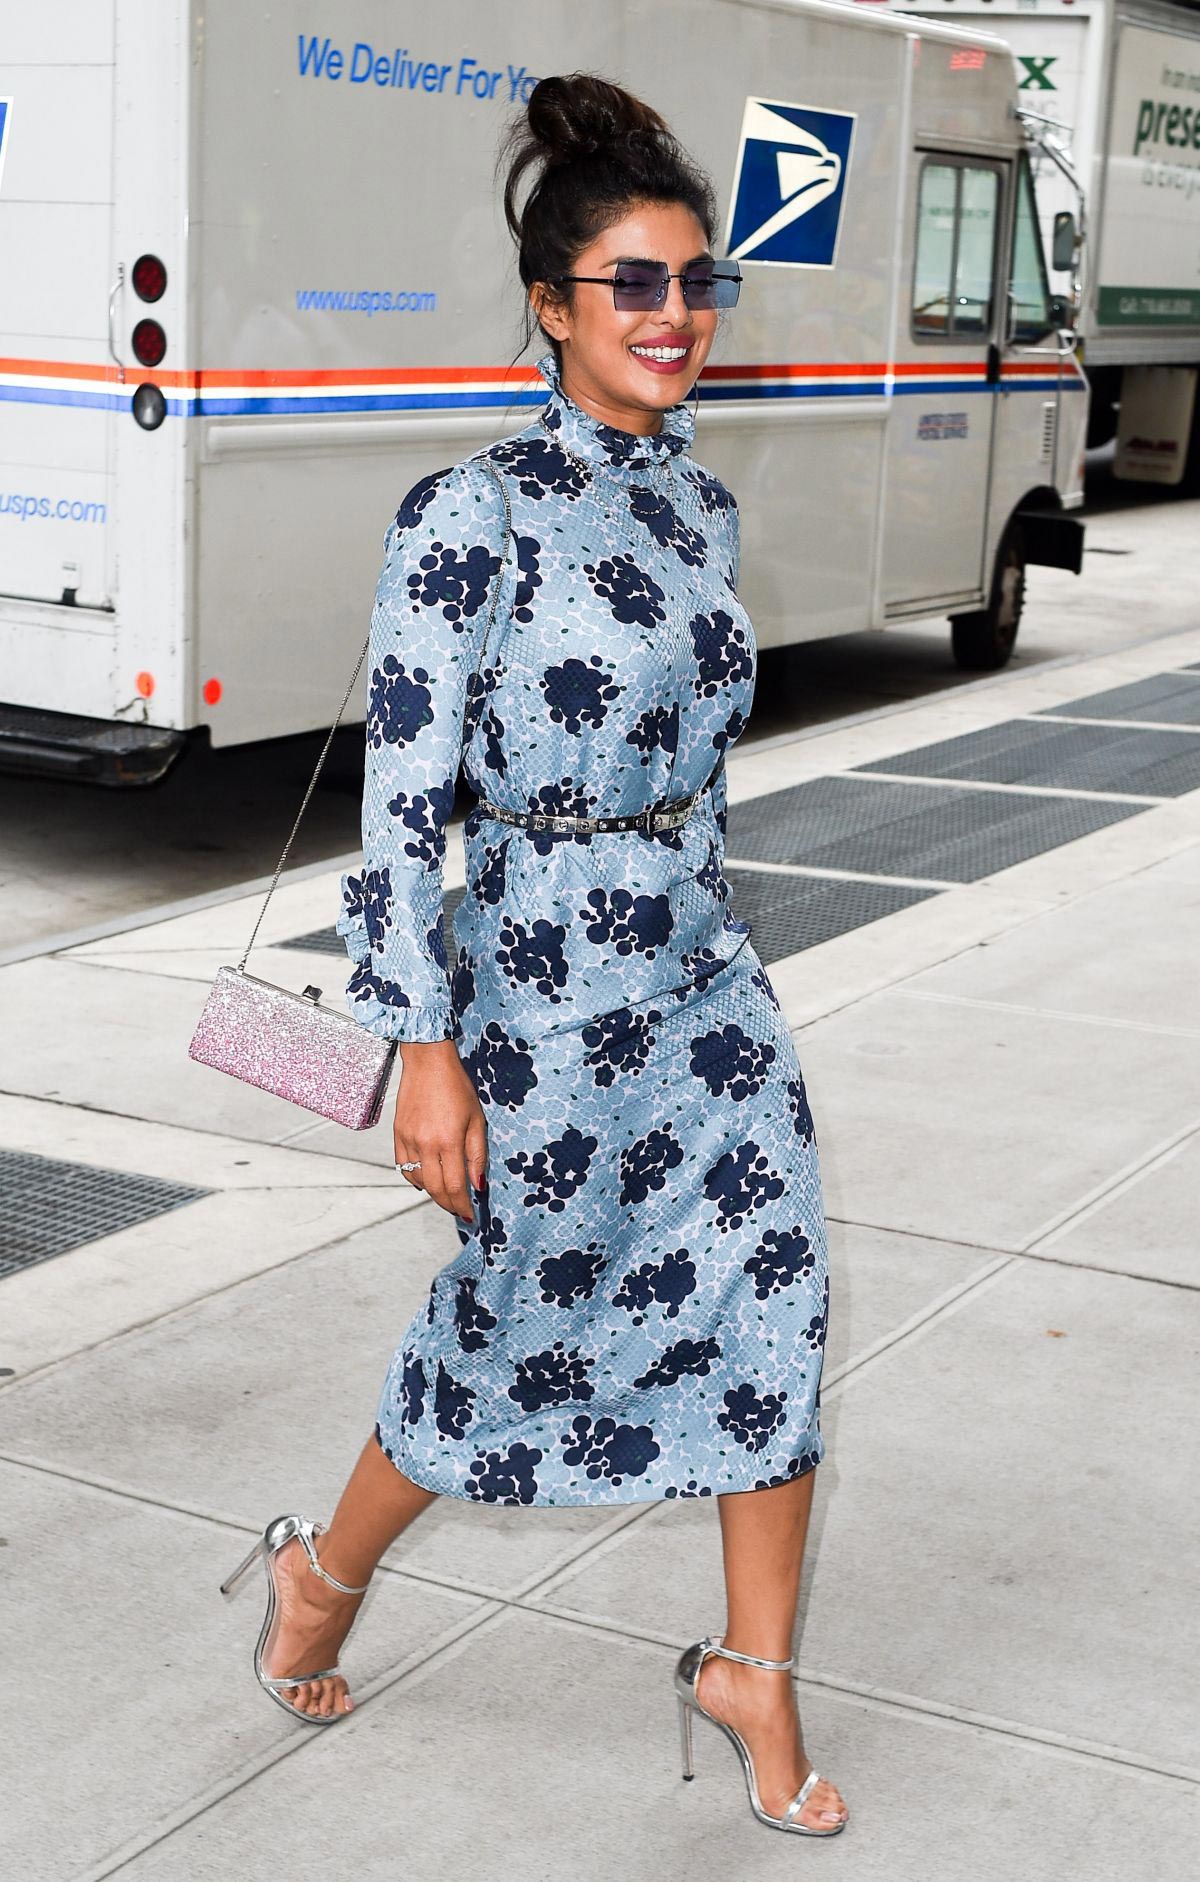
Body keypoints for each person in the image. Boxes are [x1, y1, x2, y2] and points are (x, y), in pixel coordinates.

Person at [220, 72, 848, 1838]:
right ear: (552, 308)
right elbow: (405, 801)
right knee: (513, 1330)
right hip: (539, 1004)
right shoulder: (464, 516)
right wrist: (421, 1041)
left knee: (778, 1293)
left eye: (696, 283)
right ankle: (321, 1574)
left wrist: (704, 936)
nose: (676, 318)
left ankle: (758, 1676)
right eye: (634, 285)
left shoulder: (701, 511)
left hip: (702, 984)